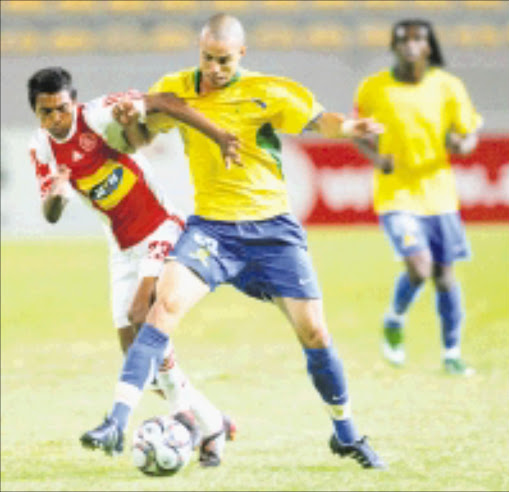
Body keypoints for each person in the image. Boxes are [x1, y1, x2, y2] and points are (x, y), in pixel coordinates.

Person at [81, 14, 387, 469]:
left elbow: (320, 121)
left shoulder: (270, 91)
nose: (215, 68)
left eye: (224, 60)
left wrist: (350, 129)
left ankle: (345, 433)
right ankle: (116, 421)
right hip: (212, 232)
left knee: (315, 332)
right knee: (159, 309)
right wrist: (129, 126)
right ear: (199, 51)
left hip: (273, 233)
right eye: (207, 58)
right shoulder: (176, 87)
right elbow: (140, 139)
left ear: (241, 55)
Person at [27, 66, 239, 466]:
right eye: (46, 112)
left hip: (161, 225)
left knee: (142, 314)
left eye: (62, 109)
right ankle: (212, 419)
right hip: (121, 247)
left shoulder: (97, 115)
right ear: (36, 114)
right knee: (136, 358)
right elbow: (51, 213)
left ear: (74, 102)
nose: (56, 119)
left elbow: (167, 103)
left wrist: (218, 135)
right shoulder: (40, 148)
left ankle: (189, 424)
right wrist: (56, 193)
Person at [352, 19, 482, 375]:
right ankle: (394, 319)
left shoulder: (448, 86)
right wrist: (377, 158)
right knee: (419, 266)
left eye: (418, 39)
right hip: (395, 194)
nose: (410, 45)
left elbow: (469, 135)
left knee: (444, 274)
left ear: (428, 46)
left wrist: (462, 145)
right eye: (402, 40)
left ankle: (451, 353)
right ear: (393, 47)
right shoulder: (374, 88)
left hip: (439, 194)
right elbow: (357, 131)